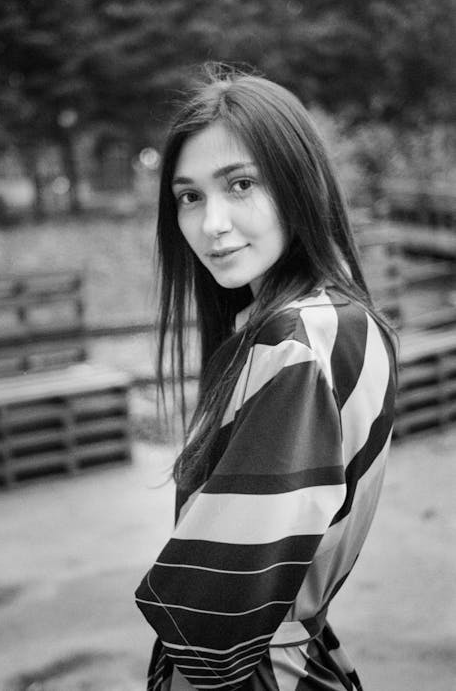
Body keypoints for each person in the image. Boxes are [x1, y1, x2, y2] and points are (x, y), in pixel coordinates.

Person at [135, 66, 397, 691]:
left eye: (241, 184)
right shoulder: (339, 319)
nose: (210, 223)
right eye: (189, 196)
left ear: (298, 183)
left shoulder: (294, 342)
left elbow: (216, 618)